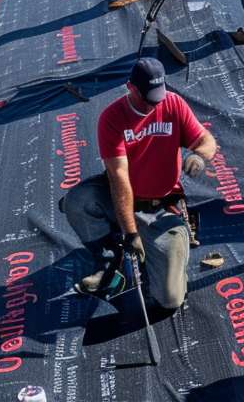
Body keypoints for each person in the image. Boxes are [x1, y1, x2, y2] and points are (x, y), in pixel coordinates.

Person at [63, 57, 217, 309]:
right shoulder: (112, 118)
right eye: (147, 99)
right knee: (78, 201)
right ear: (130, 88)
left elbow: (206, 140)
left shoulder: (172, 103)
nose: (153, 105)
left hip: (159, 208)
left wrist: (200, 157)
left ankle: (163, 249)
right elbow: (119, 177)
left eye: (157, 98)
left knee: (170, 300)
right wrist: (130, 232)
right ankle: (110, 264)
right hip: (123, 196)